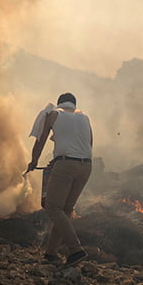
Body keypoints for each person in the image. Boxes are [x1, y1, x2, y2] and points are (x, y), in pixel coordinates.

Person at [27, 92, 93, 267]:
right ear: (74, 105)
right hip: (86, 166)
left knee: (53, 207)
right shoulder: (84, 118)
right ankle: (50, 253)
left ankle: (76, 249)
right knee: (65, 210)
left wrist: (34, 162)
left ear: (59, 104)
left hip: (66, 166)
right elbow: (88, 144)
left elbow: (41, 141)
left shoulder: (54, 114)